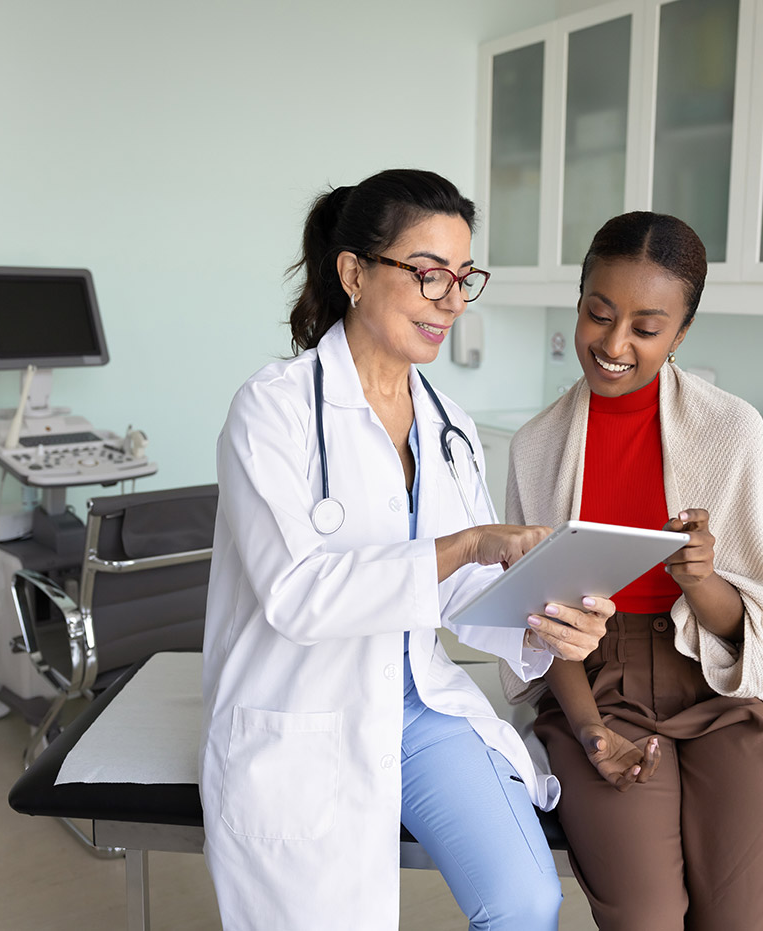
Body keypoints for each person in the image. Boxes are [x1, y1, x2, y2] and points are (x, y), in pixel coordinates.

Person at [200, 168, 615, 931]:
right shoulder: (273, 410)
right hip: (306, 708)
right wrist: (463, 545)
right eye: (428, 275)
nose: (451, 301)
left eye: (463, 278)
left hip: (415, 706)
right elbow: (297, 595)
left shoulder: (448, 424)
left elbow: (464, 595)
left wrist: (545, 623)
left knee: (526, 900)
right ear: (355, 272)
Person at [500, 211, 763, 930]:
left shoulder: (731, 431)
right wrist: (587, 734)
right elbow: (540, 624)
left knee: (744, 913)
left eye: (645, 328)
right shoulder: (537, 446)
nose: (613, 345)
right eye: (598, 314)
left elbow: (759, 633)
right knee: (644, 916)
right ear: (578, 302)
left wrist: (700, 578)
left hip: (721, 684)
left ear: (681, 333)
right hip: (596, 683)